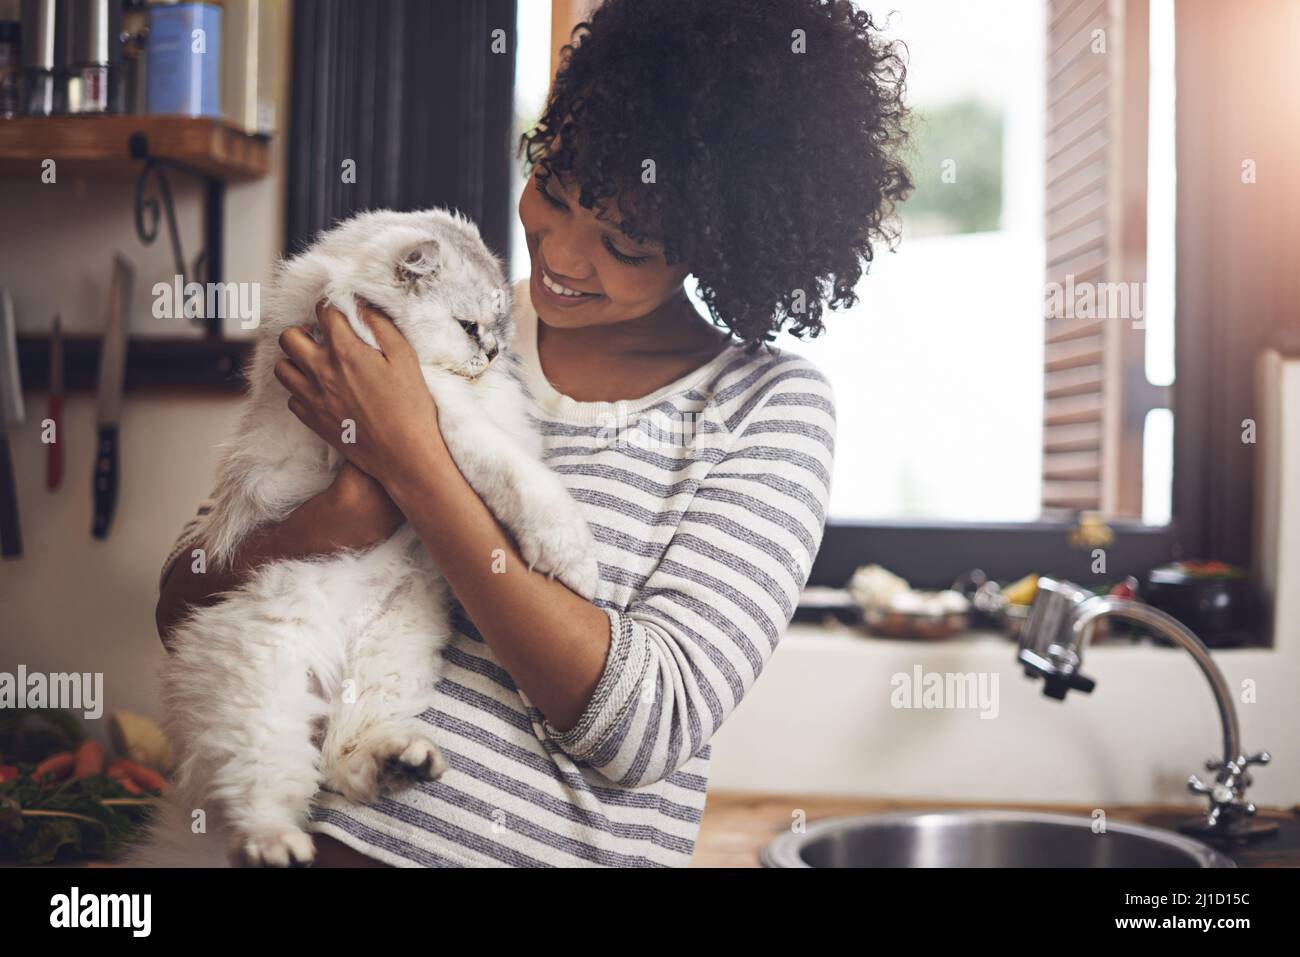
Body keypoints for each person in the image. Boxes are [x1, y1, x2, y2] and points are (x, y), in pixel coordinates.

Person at [156, 0, 910, 867]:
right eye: (554, 187)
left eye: (626, 243)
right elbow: (185, 598)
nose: (562, 254)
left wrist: (414, 463)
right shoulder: (436, 317)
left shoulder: (769, 411)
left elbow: (644, 729)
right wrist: (333, 523)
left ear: (717, 243)